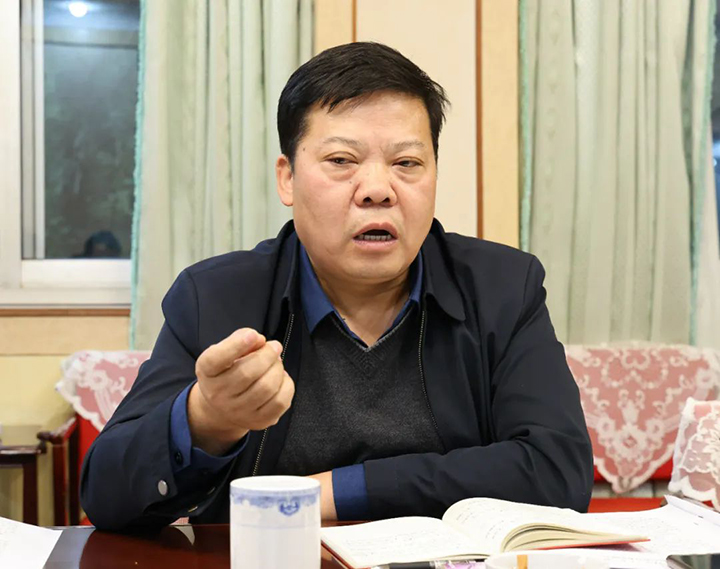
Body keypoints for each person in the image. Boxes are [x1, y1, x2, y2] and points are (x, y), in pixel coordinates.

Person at [80, 42, 593, 531]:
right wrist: (205, 419)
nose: (377, 190)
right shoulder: (216, 296)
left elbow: (557, 470)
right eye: (342, 161)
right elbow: (106, 496)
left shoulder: (503, 288)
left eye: (407, 163)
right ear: (287, 178)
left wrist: (333, 491)